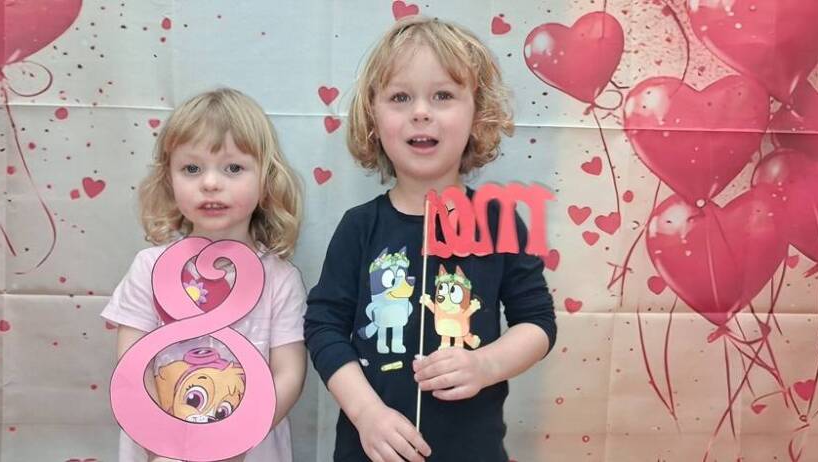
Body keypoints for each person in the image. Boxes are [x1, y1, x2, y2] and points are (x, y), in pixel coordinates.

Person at [304, 16, 557, 462]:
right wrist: (366, 413)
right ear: (373, 118)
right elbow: (323, 327)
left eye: (443, 95)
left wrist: (486, 364)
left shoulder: (499, 221)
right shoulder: (358, 227)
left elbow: (537, 323)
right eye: (400, 97)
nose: (421, 111)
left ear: (477, 114)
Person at [102, 88, 307, 462]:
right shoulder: (148, 268)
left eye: (233, 168)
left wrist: (233, 444)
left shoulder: (281, 279)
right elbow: (132, 368)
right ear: (169, 180)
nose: (210, 183)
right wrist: (162, 448)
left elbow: (289, 375)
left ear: (266, 180)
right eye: (192, 169)